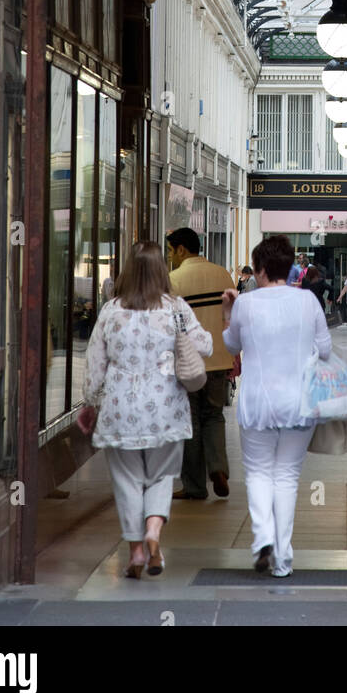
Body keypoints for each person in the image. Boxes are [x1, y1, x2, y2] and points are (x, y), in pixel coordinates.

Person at [83, 240, 212, 578]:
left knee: (126, 481)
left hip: (120, 409)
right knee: (161, 477)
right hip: (165, 409)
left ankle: (136, 551)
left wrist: (88, 402)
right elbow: (206, 345)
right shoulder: (175, 308)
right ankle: (153, 532)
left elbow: (95, 364)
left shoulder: (111, 310)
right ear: (161, 271)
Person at [222, 234, 331, 579]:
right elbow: (325, 350)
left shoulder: (246, 303)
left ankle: (263, 539)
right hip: (299, 403)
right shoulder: (308, 302)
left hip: (257, 403)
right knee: (286, 477)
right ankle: (282, 559)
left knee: (258, 473)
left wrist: (228, 314)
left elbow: (231, 346)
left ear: (262, 269)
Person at [167, 227, 236, 500]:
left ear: (182, 249)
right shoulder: (223, 274)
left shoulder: (174, 280)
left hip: (188, 365)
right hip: (219, 359)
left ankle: (195, 485)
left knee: (190, 422)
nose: (170, 257)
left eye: (172, 251)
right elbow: (231, 319)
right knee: (214, 417)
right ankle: (218, 468)